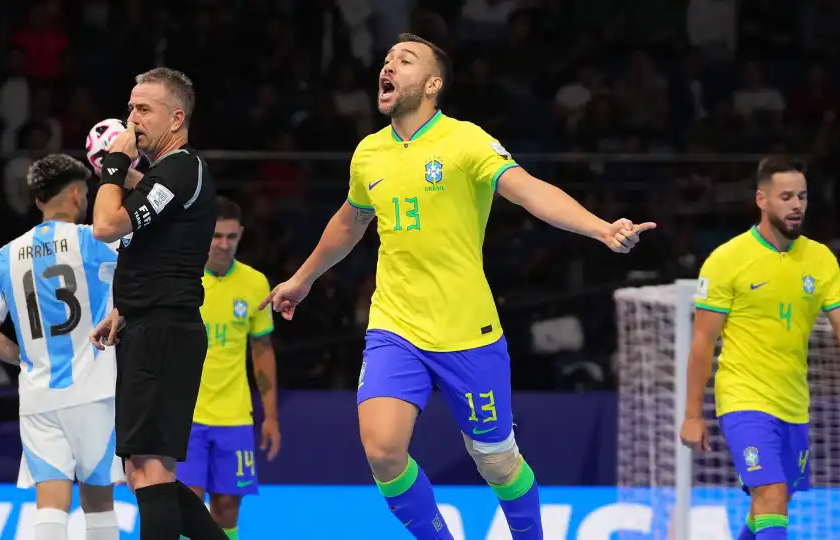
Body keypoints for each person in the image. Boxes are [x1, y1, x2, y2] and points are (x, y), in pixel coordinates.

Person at [261, 33, 655, 540]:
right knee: (382, 451)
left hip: (468, 329)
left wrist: (601, 228)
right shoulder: (368, 153)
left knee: (497, 462)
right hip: (395, 326)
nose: (388, 67)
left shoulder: (465, 140)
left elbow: (530, 191)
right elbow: (349, 223)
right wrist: (302, 278)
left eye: (404, 61)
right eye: (385, 60)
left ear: (432, 83)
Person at [680, 156, 840, 540]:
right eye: (786, 196)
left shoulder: (821, 258)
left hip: (794, 403)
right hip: (744, 400)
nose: (797, 205)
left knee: (769, 505)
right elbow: (702, 342)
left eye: (803, 196)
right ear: (761, 199)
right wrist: (692, 414)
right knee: (772, 495)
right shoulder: (727, 260)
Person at [88, 67, 225, 540]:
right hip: (150, 327)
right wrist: (124, 308)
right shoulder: (165, 174)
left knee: (149, 471)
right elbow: (161, 253)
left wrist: (110, 166)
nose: (132, 120)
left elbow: (106, 225)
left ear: (177, 117)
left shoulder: (181, 169)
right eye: (130, 109)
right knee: (145, 473)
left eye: (144, 110)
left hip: (165, 334)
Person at [0, 154, 124, 540]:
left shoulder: (4, 257)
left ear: (39, 200)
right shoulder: (94, 240)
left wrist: (22, 357)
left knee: (51, 504)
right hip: (94, 390)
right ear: (76, 194)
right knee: (99, 504)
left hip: (39, 395)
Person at [178, 196, 281, 540]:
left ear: (240, 235)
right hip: (185, 416)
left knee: (227, 510)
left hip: (235, 417)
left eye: (231, 237)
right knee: (187, 509)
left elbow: (262, 352)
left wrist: (271, 416)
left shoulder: (255, 284)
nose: (223, 245)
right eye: (216, 236)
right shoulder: (182, 279)